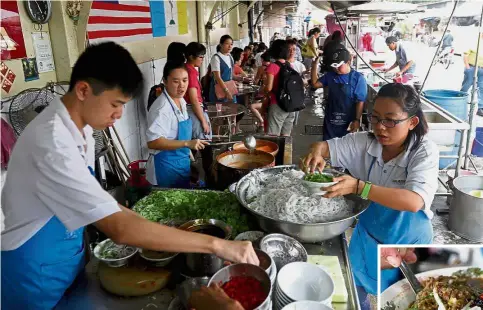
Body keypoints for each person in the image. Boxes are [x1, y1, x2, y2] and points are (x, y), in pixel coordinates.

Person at [1, 42, 259, 310]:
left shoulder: (82, 129)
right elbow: (120, 229)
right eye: (115, 103)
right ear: (83, 90)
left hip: (67, 260)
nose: (120, 113)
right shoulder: (51, 142)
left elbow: (107, 207)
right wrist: (217, 246)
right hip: (34, 278)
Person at [302, 83, 439, 308]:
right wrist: (316, 153)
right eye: (375, 118)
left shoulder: (424, 151)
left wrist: (360, 187)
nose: (381, 127)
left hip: (407, 243)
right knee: (354, 288)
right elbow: (323, 146)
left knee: (404, 298)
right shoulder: (365, 141)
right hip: (368, 236)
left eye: (390, 120)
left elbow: (414, 201)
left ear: (412, 122)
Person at [146, 61, 210, 188]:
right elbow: (153, 142)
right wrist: (187, 143)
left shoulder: (180, 100)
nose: (182, 86)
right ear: (165, 80)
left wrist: (190, 157)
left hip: (181, 162)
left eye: (185, 80)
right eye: (176, 81)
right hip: (165, 167)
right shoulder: (161, 108)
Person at [311, 48, 367, 140]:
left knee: (346, 148)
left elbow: (360, 102)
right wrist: (314, 65)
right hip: (331, 121)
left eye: (339, 66)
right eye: (334, 66)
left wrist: (357, 120)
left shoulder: (358, 79)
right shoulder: (331, 75)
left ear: (348, 62)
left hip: (347, 122)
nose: (336, 68)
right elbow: (315, 84)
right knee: (328, 148)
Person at [265, 39, 296, 136]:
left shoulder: (272, 67)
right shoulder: (289, 65)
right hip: (291, 105)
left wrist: (263, 89)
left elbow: (269, 88)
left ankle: (276, 152)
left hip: (277, 105)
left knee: (273, 137)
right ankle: (286, 151)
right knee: (286, 136)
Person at [184, 42, 212, 140]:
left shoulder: (187, 69)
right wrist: (203, 121)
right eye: (200, 57)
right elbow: (194, 100)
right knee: (203, 143)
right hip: (193, 110)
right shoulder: (190, 72)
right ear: (191, 57)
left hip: (192, 110)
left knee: (198, 144)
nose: (202, 60)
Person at [461, 33, 483, 117]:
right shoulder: (474, 41)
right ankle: (461, 101)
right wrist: (467, 67)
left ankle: (481, 108)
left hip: (482, 69)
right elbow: (465, 55)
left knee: (482, 87)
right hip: (472, 67)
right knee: (466, 85)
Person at [209, 35, 236, 103]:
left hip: (230, 88)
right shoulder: (216, 58)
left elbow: (231, 75)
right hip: (220, 90)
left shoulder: (230, 57)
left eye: (231, 44)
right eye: (227, 44)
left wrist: (242, 79)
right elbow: (218, 77)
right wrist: (226, 91)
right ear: (221, 44)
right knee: (221, 111)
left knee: (233, 110)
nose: (230, 46)